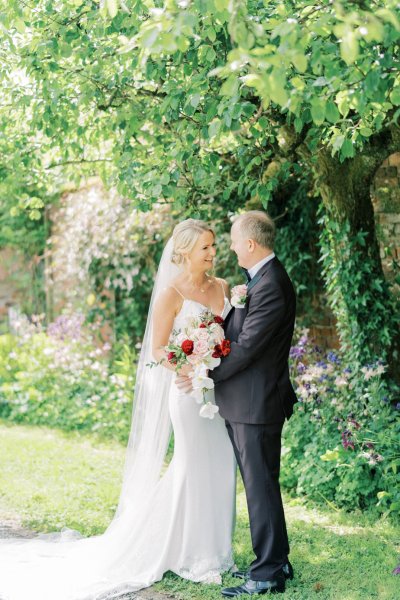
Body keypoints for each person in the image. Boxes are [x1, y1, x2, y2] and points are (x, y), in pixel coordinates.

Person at [0, 219, 236, 600]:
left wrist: (215, 364)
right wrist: (189, 367)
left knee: (223, 465)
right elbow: (159, 350)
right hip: (189, 393)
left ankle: (219, 551)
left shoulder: (223, 287)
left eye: (212, 246)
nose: (213, 253)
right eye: (205, 247)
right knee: (191, 467)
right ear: (184, 253)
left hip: (222, 393)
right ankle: (196, 555)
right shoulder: (171, 294)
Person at [178, 210, 298, 596]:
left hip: (256, 403)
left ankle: (266, 574)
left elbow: (246, 349)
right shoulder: (259, 279)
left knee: (260, 486)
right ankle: (277, 561)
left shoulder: (270, 285)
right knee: (262, 484)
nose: (228, 247)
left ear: (250, 244)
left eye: (231, 240)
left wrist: (205, 373)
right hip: (248, 401)